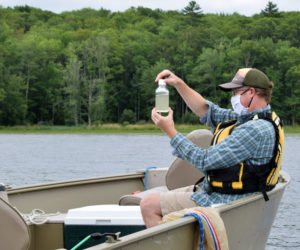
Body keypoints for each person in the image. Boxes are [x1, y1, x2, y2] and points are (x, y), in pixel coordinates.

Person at [140, 68, 284, 228]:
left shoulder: (254, 130)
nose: (233, 97)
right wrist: (178, 83)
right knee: (158, 198)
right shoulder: (253, 119)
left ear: (251, 92)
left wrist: (170, 131)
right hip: (217, 191)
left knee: (148, 205)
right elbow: (208, 111)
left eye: (236, 92)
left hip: (224, 200)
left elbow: (205, 160)